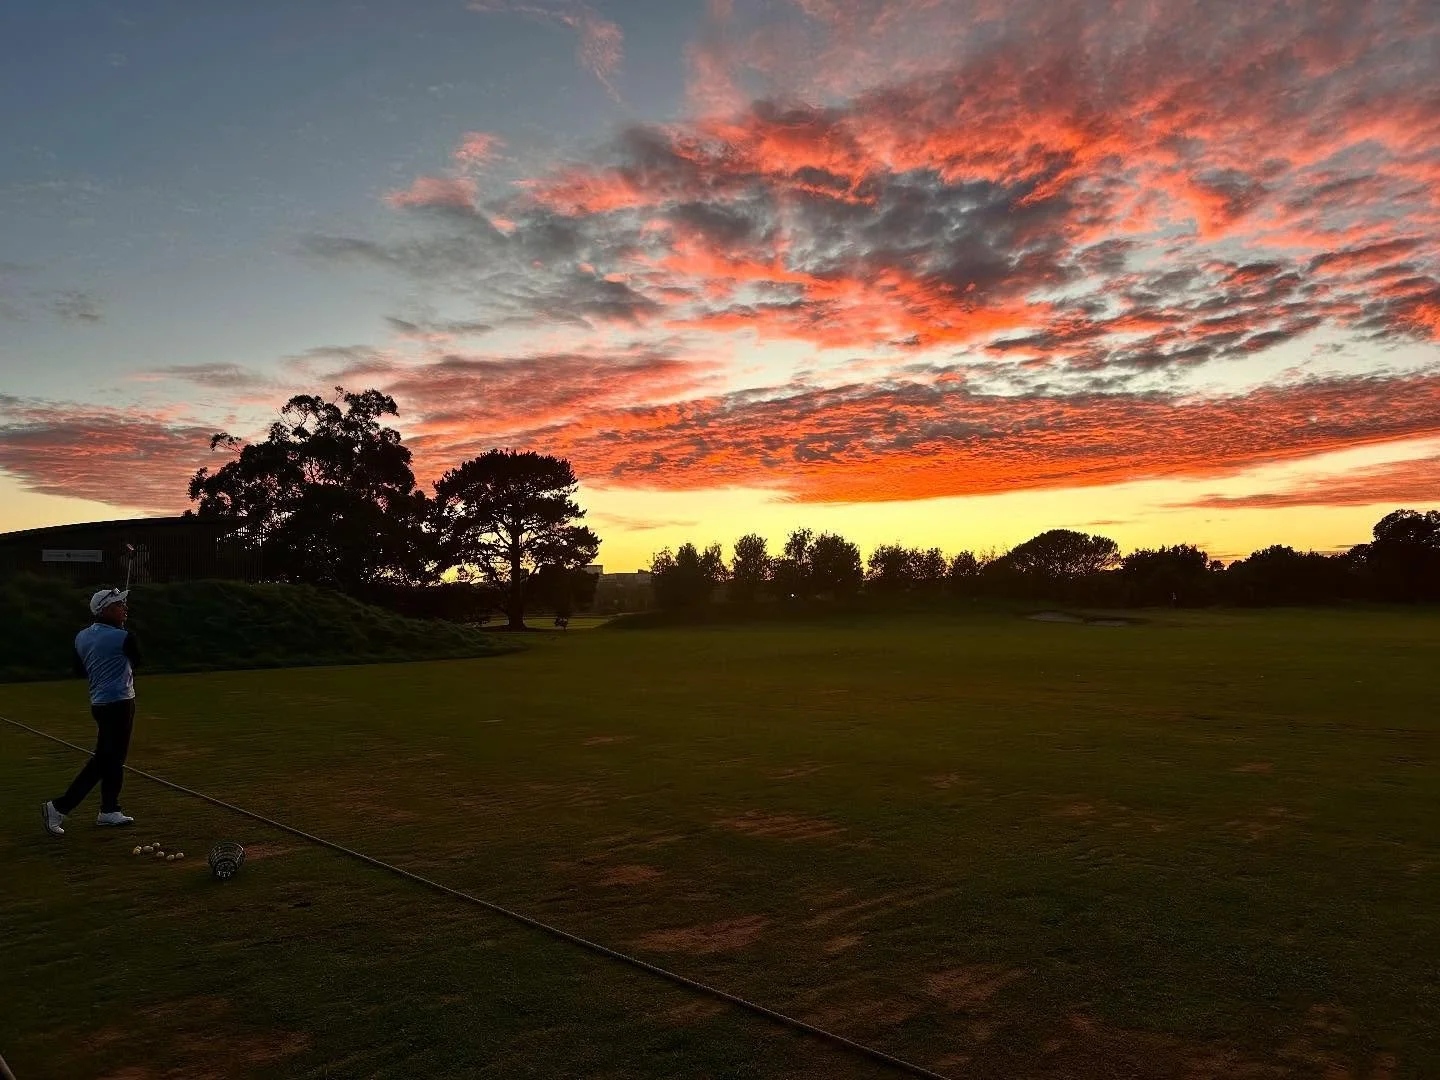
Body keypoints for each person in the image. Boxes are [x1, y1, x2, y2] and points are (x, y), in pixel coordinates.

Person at [41, 587, 141, 835]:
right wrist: (122, 637)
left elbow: (79, 670)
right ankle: (58, 807)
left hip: (99, 703)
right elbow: (138, 661)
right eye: (119, 605)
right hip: (120, 703)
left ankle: (109, 810)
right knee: (105, 761)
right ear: (106, 610)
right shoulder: (124, 637)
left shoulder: (81, 637)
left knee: (114, 760)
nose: (124, 608)